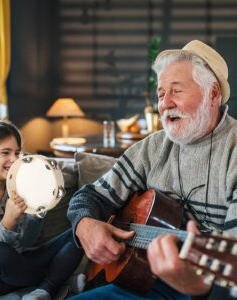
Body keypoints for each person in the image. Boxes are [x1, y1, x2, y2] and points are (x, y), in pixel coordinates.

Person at [67, 40, 237, 300]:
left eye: (176, 91)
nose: (165, 103)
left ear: (213, 94)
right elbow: (90, 196)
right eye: (160, 94)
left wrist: (202, 288)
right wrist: (85, 224)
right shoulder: (152, 147)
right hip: (141, 281)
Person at [0, 117, 84, 300]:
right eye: (5, 153)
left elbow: (28, 241)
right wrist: (8, 222)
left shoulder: (16, 187)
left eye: (17, 152)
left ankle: (45, 288)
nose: (14, 159)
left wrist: (37, 213)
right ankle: (56, 280)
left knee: (79, 230)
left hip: (20, 261)